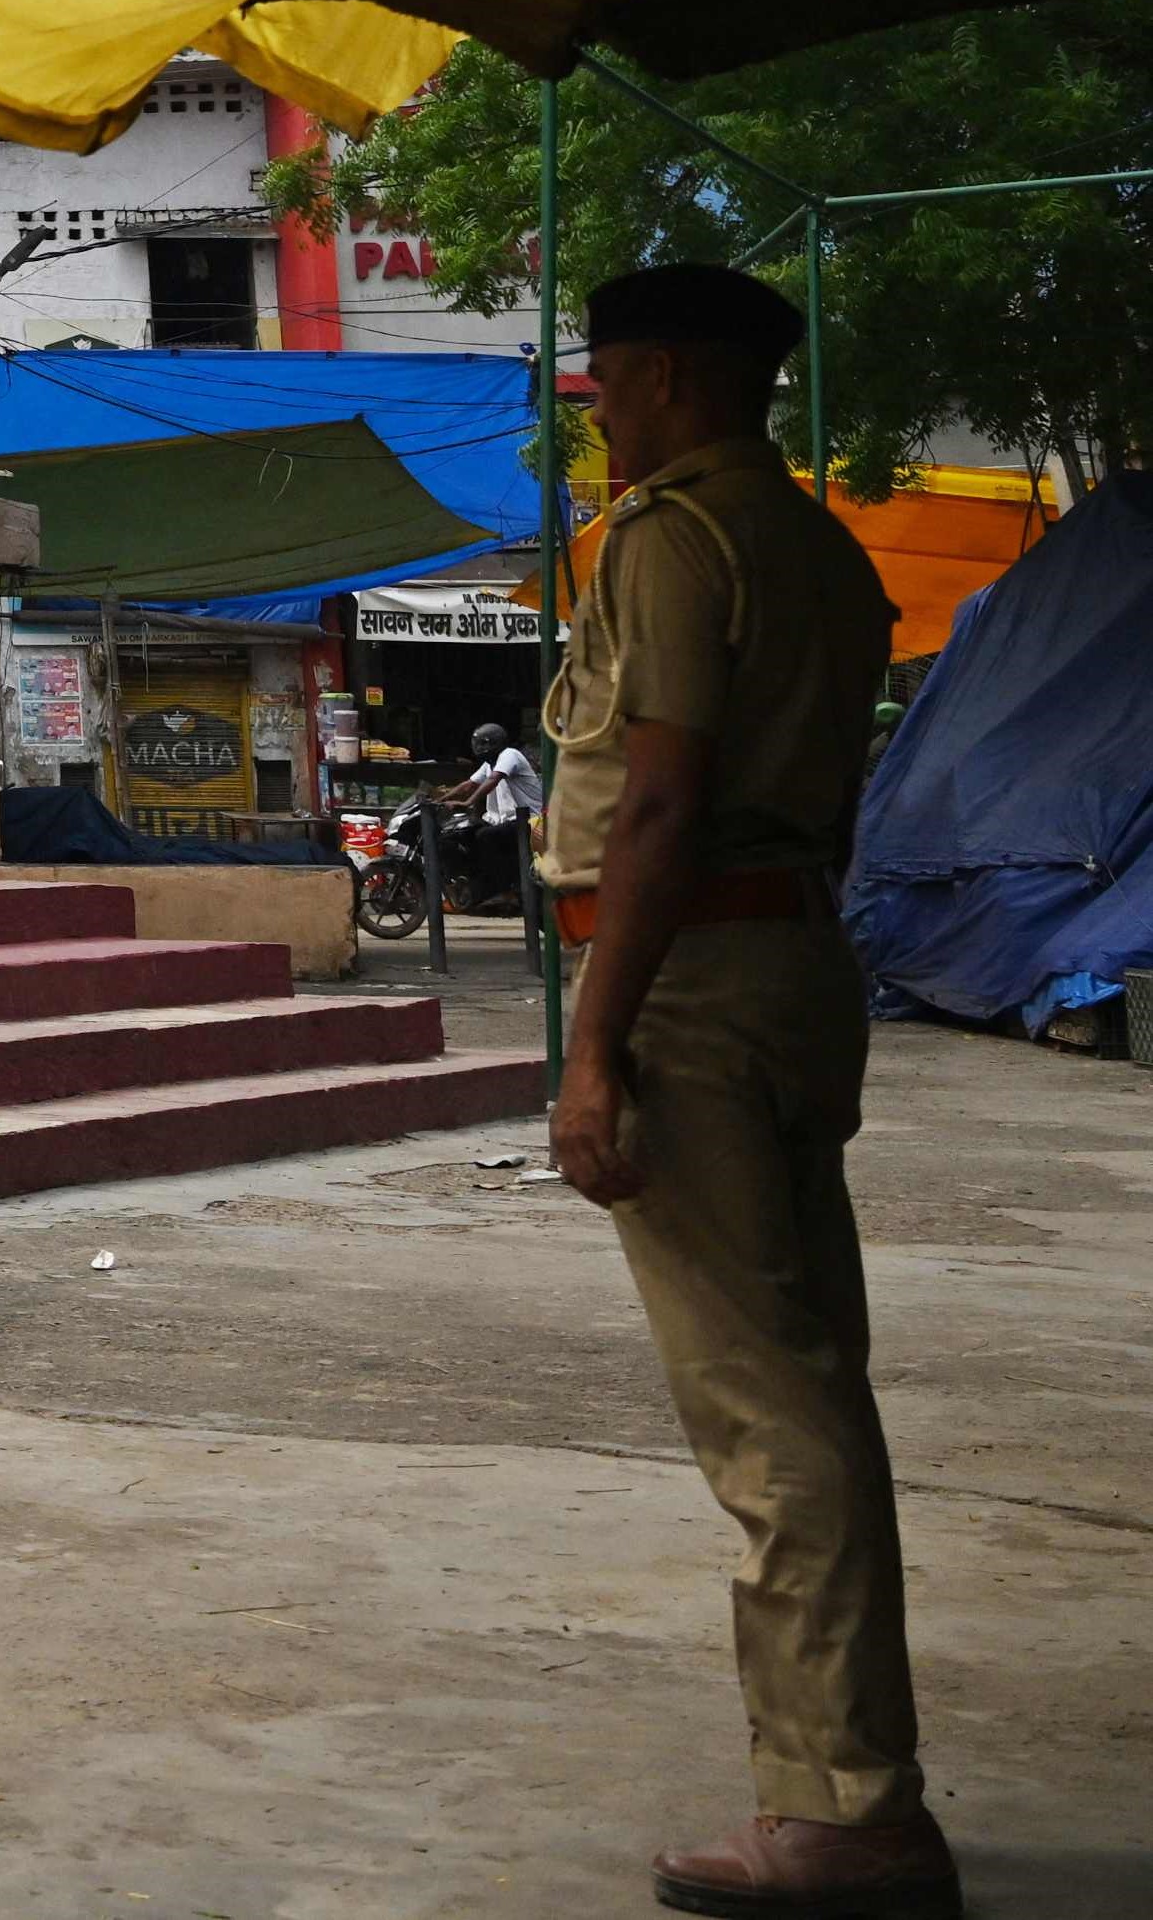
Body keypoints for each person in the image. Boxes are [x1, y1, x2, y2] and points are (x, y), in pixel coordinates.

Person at [539, 263, 945, 1920]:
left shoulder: (668, 540)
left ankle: (843, 1807)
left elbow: (653, 804)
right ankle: (850, 1784)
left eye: (608, 388)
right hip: (787, 964)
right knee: (811, 1377)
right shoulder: (818, 546)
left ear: (662, 381)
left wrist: (589, 1046)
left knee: (765, 1413)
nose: (601, 419)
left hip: (692, 977)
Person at [450, 720, 542, 911]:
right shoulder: (489, 763)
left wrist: (467, 802)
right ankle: (476, 885)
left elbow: (493, 780)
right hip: (510, 820)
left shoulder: (509, 755)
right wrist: (442, 798)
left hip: (533, 820)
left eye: (483, 744)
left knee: (486, 837)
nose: (478, 748)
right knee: (467, 832)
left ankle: (501, 887)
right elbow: (469, 784)